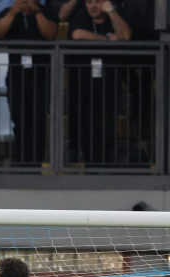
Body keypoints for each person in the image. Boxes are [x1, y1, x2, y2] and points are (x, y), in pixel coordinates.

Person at [0, 0, 57, 166]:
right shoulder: (9, 12)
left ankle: (36, 163)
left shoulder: (45, 11)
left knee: (38, 120)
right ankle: (20, 162)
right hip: (16, 75)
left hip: (40, 75)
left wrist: (37, 12)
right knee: (19, 119)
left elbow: (50, 34)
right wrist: (13, 12)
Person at [68, 0, 132, 166]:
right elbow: (78, 34)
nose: (93, 6)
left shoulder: (114, 15)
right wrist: (107, 40)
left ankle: (105, 163)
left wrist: (111, 12)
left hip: (109, 80)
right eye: (89, 2)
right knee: (85, 123)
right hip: (83, 81)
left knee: (106, 123)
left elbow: (125, 35)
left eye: (97, 2)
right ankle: (88, 161)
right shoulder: (81, 16)